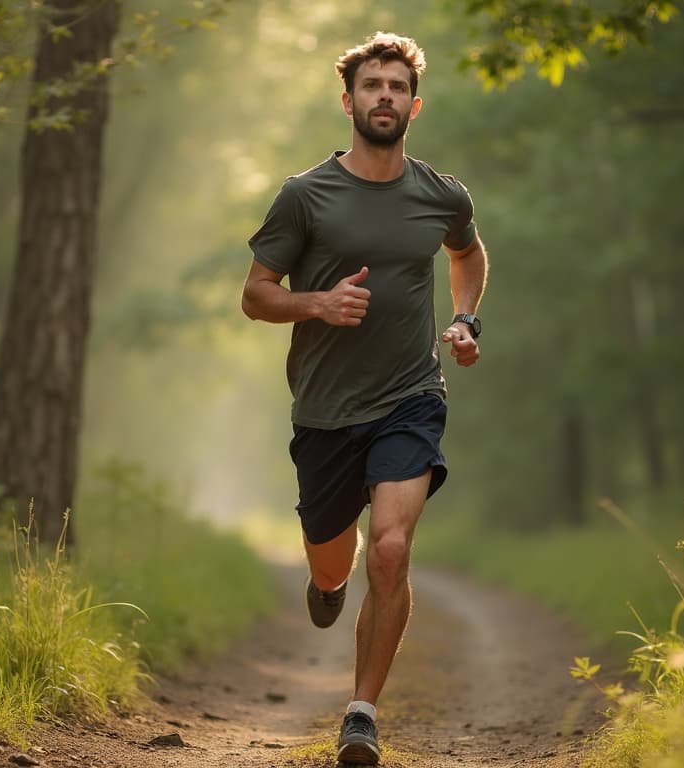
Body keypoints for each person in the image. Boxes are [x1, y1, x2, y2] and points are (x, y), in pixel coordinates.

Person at [240, 31, 489, 766]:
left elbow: (468, 254)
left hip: (410, 396)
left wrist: (467, 318)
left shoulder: (442, 195)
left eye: (397, 86)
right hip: (323, 411)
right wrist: (315, 304)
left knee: (390, 548)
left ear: (416, 103)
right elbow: (255, 296)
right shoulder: (305, 196)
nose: (386, 96)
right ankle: (327, 581)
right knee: (333, 564)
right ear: (348, 101)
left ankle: (360, 714)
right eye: (372, 86)